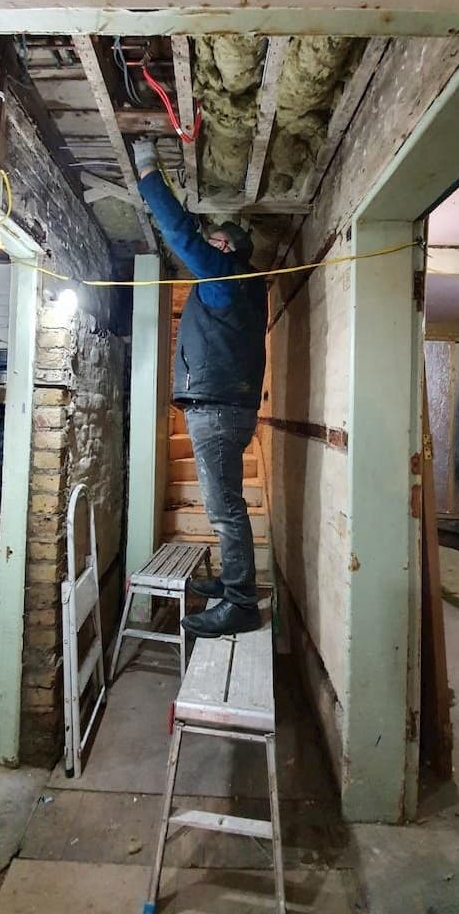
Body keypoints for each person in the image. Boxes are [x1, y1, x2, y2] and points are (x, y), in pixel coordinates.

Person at [134, 137, 268, 638]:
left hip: (217, 410)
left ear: (228, 247)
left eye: (215, 240)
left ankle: (240, 602)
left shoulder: (225, 273)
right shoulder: (245, 284)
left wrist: (148, 172)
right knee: (225, 504)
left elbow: (179, 233)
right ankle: (234, 585)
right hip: (226, 408)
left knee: (225, 507)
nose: (208, 245)